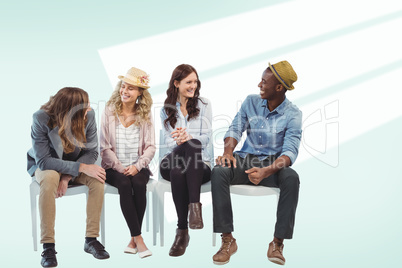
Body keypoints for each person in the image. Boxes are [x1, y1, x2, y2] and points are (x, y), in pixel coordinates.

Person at [211, 61, 302, 265]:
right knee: (218, 171)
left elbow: (290, 151)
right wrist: (228, 152)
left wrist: (267, 171)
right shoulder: (250, 102)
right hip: (246, 159)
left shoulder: (293, 114)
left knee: (292, 178)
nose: (259, 84)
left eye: (264, 81)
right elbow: (235, 128)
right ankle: (227, 240)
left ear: (279, 87)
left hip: (274, 164)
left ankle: (277, 243)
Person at [27, 87, 110, 268]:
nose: (90, 107)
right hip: (48, 165)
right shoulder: (40, 118)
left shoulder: (89, 116)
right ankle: (48, 246)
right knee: (49, 179)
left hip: (73, 165)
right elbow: (44, 161)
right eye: (85, 105)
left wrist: (66, 177)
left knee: (97, 179)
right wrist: (79, 168)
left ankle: (91, 239)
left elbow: (91, 151)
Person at [100, 67, 155, 258]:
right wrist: (119, 167)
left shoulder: (145, 114)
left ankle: (133, 239)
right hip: (113, 168)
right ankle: (139, 239)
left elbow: (150, 147)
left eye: (131, 88)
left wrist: (137, 166)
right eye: (123, 86)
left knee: (139, 183)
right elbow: (104, 147)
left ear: (140, 92)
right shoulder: (109, 111)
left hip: (138, 166)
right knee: (124, 183)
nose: (125, 91)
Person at [160, 64, 212, 257]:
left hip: (200, 164)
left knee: (181, 166)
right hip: (172, 158)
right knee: (181, 158)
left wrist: (188, 138)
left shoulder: (204, 105)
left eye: (195, 82)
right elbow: (167, 141)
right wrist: (179, 140)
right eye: (188, 82)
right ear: (176, 83)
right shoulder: (166, 109)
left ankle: (182, 232)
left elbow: (206, 138)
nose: (193, 86)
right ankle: (195, 210)